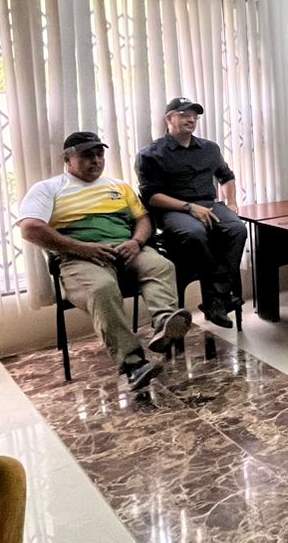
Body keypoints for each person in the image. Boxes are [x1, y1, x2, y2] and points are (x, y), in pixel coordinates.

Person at [17, 131, 191, 390]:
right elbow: (30, 228)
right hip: (79, 257)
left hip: (126, 249)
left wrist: (136, 242)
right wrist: (82, 249)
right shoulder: (48, 189)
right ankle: (133, 364)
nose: (96, 160)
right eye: (88, 155)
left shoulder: (119, 186)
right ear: (68, 159)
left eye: (99, 154)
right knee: (102, 289)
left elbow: (143, 219)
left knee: (161, 265)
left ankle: (165, 323)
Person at [136, 97, 248, 329]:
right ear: (169, 118)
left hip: (208, 204)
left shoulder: (209, 148)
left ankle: (215, 298)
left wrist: (232, 203)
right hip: (174, 209)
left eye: (194, 116)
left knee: (237, 228)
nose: (191, 119)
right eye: (184, 114)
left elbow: (226, 176)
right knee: (194, 232)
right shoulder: (151, 153)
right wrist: (189, 207)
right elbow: (151, 196)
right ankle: (219, 294)